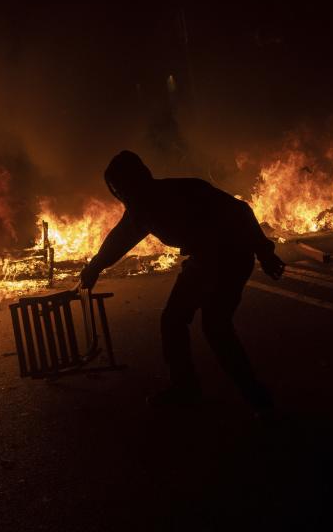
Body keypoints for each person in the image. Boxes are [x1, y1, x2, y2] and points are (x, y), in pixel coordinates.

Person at [80, 150, 284, 409]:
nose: (121, 196)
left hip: (229, 258)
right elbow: (119, 239)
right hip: (205, 260)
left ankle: (253, 397)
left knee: (213, 326)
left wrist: (264, 251)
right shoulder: (143, 207)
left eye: (121, 189)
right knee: (178, 321)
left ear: (136, 181)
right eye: (117, 191)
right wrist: (95, 267)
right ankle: (190, 389)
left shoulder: (174, 194)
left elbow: (240, 210)